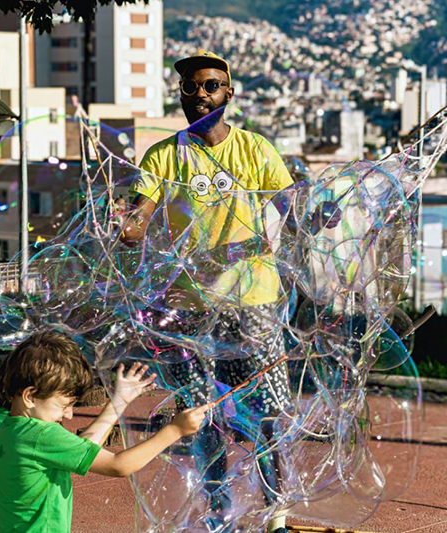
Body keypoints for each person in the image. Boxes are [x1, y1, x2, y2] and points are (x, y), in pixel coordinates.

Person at [112, 50, 315, 532]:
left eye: (210, 86)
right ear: (180, 94)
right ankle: (219, 512)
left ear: (229, 93)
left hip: (254, 301)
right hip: (189, 306)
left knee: (269, 413)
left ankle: (276, 514)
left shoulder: (256, 150)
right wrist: (129, 226)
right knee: (197, 421)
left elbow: (290, 207)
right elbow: (140, 215)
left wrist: (315, 214)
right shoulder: (164, 155)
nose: (200, 95)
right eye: (190, 87)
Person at [0, 331, 210, 533]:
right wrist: (174, 430)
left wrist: (118, 401)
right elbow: (118, 465)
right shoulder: (40, 435)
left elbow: (83, 446)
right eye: (63, 405)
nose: (69, 415)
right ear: (30, 395)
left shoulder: (8, 430)